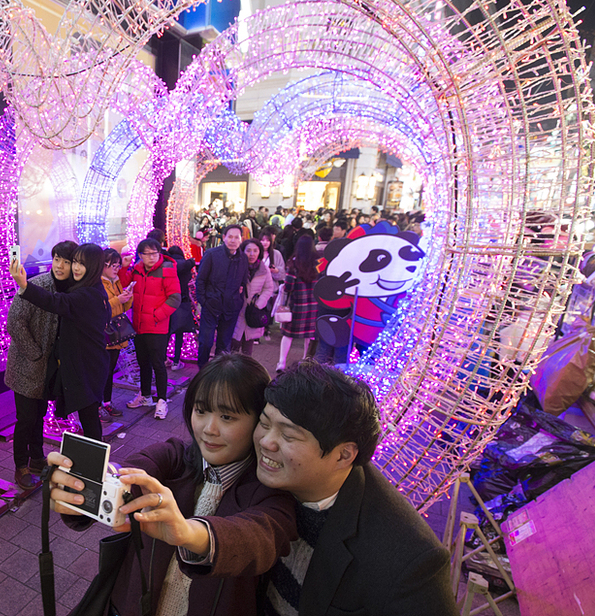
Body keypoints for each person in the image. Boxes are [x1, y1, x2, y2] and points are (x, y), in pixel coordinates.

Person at [48, 353, 297, 616]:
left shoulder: (268, 492)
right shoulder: (176, 457)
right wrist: (90, 484)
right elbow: (135, 469)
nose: (209, 429)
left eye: (227, 417)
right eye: (201, 411)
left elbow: (259, 539)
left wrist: (189, 533)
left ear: (259, 423)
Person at [254, 361, 457, 615]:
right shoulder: (267, 478)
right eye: (264, 423)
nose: (266, 441)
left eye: (288, 436)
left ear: (344, 455)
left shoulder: (409, 562)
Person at [10, 243, 110, 441]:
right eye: (74, 262)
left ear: (94, 267)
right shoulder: (90, 287)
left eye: (81, 264)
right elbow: (16, 322)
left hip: (87, 367)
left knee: (89, 420)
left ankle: (94, 467)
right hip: (88, 364)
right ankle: (92, 466)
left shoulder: (87, 294)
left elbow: (56, 303)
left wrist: (25, 286)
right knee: (88, 418)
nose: (75, 268)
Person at [5, 240, 77, 489]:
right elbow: (14, 322)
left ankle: (37, 459)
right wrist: (35, 354)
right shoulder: (37, 285)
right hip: (26, 366)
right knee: (25, 418)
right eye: (57, 259)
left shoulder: (72, 291)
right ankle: (20, 465)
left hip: (49, 370)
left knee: (39, 416)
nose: (60, 265)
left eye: (66, 261)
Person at [122, 238, 181, 419]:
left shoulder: (167, 270)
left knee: (158, 364)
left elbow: (175, 298)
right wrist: (124, 266)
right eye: (147, 254)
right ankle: (146, 395)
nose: (152, 257)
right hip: (139, 327)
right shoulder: (137, 270)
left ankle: (162, 400)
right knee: (143, 364)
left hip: (157, 327)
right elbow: (124, 284)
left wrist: (156, 316)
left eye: (155, 253)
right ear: (140, 255)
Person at [195, 224, 247, 368]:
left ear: (241, 240)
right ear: (224, 238)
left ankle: (217, 373)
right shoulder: (212, 254)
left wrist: (238, 300)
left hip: (231, 307)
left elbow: (242, 281)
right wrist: (203, 301)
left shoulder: (242, 258)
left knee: (224, 344)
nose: (233, 240)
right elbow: (201, 280)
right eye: (230, 236)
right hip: (211, 304)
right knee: (206, 341)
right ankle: (203, 370)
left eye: (236, 237)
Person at [276, 236, 320, 372]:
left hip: (297, 306)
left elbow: (288, 285)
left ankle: (281, 363)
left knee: (288, 335)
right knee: (310, 336)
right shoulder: (318, 263)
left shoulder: (294, 264)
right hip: (313, 305)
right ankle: (305, 361)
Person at [101, 247, 134, 420]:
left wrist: (128, 298)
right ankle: (100, 405)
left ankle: (107, 403)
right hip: (104, 336)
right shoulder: (98, 283)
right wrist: (117, 300)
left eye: (117, 265)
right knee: (102, 372)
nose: (115, 268)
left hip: (116, 335)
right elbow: (100, 308)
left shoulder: (116, 281)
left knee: (109, 371)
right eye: (112, 265)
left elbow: (122, 309)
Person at [232, 239, 276, 355]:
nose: (252, 254)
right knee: (233, 346)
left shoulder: (263, 269)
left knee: (248, 348)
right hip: (236, 310)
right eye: (248, 251)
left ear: (259, 252)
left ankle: (246, 371)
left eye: (255, 251)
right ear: (242, 251)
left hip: (253, 312)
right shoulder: (236, 266)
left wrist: (258, 304)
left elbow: (268, 288)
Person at [165, 245, 197, 371]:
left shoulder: (166, 266)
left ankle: (163, 358)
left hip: (167, 302)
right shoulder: (186, 266)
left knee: (166, 332)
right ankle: (176, 362)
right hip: (182, 302)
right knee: (179, 332)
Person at [258, 227, 286, 343]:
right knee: (257, 310)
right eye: (263, 240)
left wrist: (275, 271)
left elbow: (282, 272)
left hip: (270, 287)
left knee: (267, 311)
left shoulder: (276, 254)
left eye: (267, 240)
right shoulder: (255, 252)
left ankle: (265, 329)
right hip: (256, 287)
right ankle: (257, 331)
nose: (265, 243)